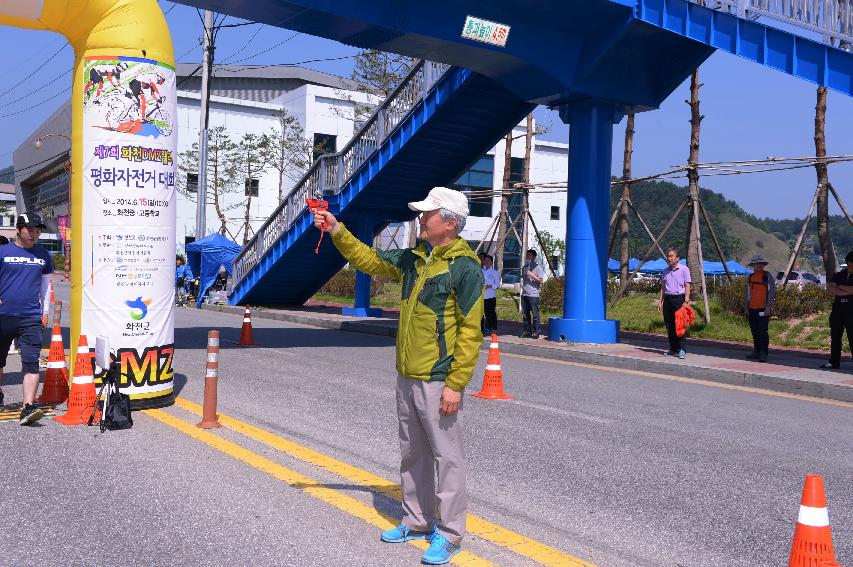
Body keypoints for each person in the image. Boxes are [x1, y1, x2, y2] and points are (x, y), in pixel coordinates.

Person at [313, 186, 483, 565]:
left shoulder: (464, 268)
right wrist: (338, 230)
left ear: (449, 222)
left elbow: (471, 332)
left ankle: (451, 534)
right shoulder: (413, 259)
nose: (421, 219)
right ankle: (417, 521)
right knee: (413, 452)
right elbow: (370, 260)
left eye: (428, 214)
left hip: (438, 378)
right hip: (406, 374)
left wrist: (456, 384)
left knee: (447, 458)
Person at [0, 214, 53, 424]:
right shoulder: (3, 252)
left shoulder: (44, 256)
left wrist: (45, 311)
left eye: (37, 230)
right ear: (19, 229)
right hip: (3, 317)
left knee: (31, 363)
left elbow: (46, 286)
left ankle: (27, 407)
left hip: (31, 317)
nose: (34, 234)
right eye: (30, 229)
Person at [658, 247, 692, 359]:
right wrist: (660, 301)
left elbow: (687, 285)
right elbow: (663, 288)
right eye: (668, 256)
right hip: (668, 299)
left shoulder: (684, 269)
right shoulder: (665, 271)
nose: (669, 258)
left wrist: (686, 300)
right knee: (669, 325)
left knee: (680, 324)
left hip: (679, 299)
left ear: (677, 258)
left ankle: (682, 349)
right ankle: (673, 348)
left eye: (672, 256)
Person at [822, 250, 853, 369]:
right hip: (838, 309)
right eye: (850, 262)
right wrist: (845, 290)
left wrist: (840, 287)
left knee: (852, 337)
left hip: (851, 310)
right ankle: (834, 361)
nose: (851, 265)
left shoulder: (840, 280)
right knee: (835, 337)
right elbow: (830, 288)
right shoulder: (839, 275)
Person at [744, 255, 776, 362]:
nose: (759, 265)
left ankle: (763, 353)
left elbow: (772, 292)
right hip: (752, 308)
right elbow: (748, 293)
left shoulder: (767, 276)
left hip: (763, 309)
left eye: (760, 263)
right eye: (756, 263)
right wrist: (746, 307)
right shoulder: (750, 277)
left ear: (763, 265)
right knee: (754, 331)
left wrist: (768, 307)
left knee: (762, 332)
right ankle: (756, 351)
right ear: (753, 265)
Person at [520, 249, 544, 339]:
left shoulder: (538, 268)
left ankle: (536, 332)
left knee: (535, 315)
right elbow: (523, 276)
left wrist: (531, 274)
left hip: (533, 295)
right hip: (525, 294)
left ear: (534, 257)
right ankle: (527, 331)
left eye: (529, 255)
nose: (527, 257)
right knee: (525, 315)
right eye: (527, 255)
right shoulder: (525, 267)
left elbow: (541, 281)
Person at [481, 254, 500, 334]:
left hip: (490, 296)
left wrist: (490, 286)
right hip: (482, 296)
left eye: (488, 260)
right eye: (485, 260)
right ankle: (483, 328)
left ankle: (493, 327)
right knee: (482, 312)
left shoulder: (494, 272)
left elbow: (498, 284)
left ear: (491, 262)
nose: (486, 261)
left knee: (491, 312)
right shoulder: (481, 271)